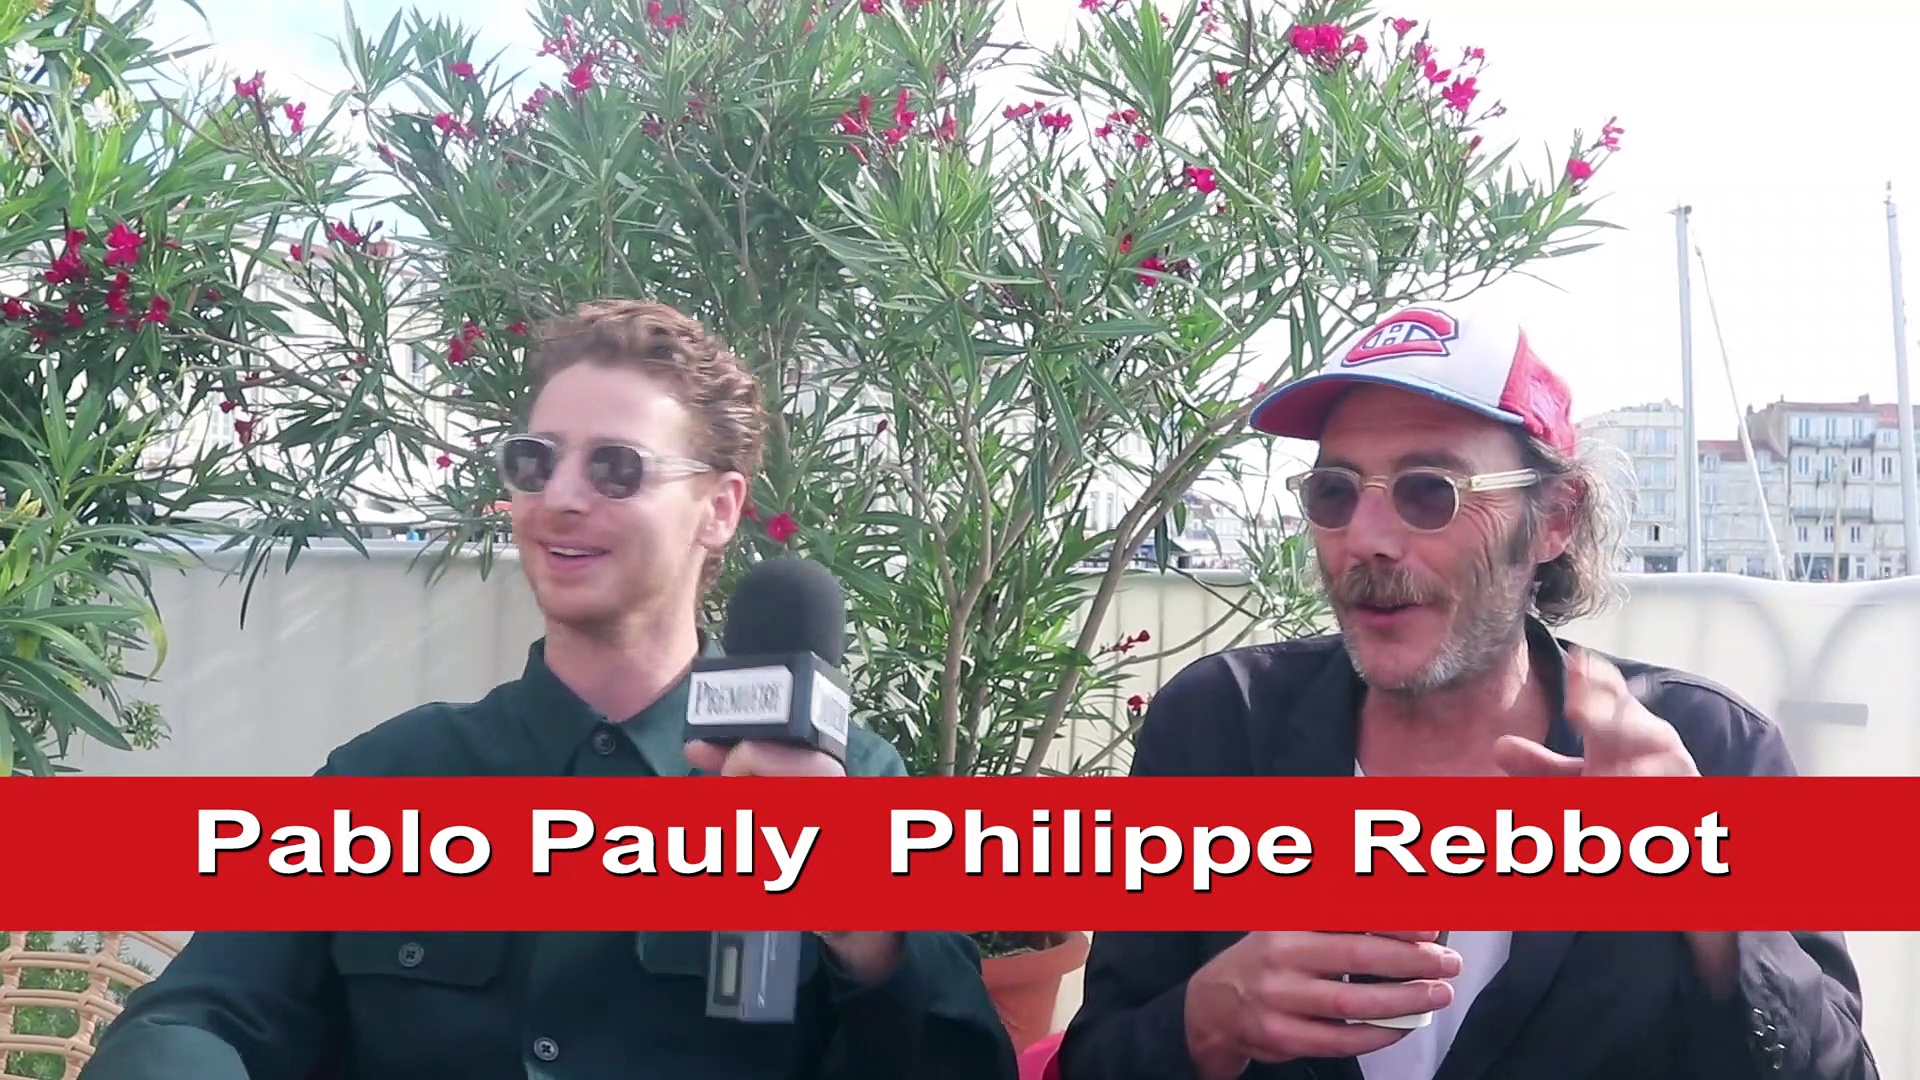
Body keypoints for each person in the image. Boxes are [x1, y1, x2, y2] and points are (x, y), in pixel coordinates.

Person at [82, 300, 1020, 1080]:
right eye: (536, 461)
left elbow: (957, 1062)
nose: (562, 496)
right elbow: (201, 1014)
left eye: (616, 467)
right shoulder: (389, 778)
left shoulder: (849, 787)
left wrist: (868, 931)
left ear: (719, 509)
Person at [1056, 301, 1877, 1080]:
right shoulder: (1218, 726)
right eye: (1335, 493)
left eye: (1429, 491)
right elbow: (1097, 1058)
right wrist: (1205, 1021)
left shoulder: (1714, 750)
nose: (1366, 540)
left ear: (1553, 519)